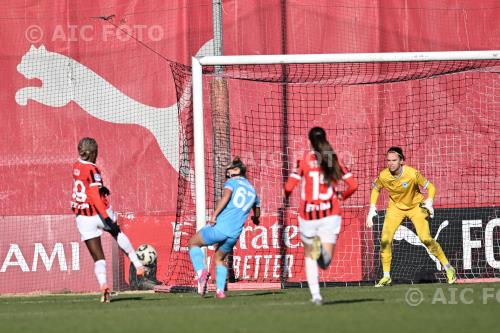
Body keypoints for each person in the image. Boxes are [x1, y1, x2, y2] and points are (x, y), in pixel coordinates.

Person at [285, 127, 358, 305]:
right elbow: (353, 185)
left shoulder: (303, 161)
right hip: (330, 215)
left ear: (309, 141)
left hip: (308, 215)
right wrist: (341, 195)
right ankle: (319, 257)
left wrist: (287, 198)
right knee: (325, 262)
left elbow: (288, 187)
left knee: (309, 255)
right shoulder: (333, 159)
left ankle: (316, 296)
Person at [366, 146, 456, 287]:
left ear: (402, 161)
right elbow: (376, 188)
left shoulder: (413, 174)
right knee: (384, 241)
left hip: (416, 207)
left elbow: (431, 187)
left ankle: (448, 268)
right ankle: (386, 276)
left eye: (394, 160)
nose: (391, 163)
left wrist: (430, 202)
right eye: (388, 160)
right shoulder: (384, 175)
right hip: (395, 208)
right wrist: (372, 208)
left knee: (426, 239)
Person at [71, 137, 145, 302]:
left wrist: (100, 187)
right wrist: (105, 217)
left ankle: (104, 285)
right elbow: (94, 196)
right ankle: (137, 264)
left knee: (99, 257)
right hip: (98, 213)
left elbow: (85, 184)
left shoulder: (76, 165)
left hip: (82, 217)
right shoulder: (93, 169)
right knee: (116, 232)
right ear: (94, 152)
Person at [188, 157, 260, 299]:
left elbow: (226, 197)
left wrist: (214, 214)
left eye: (230, 169)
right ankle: (220, 292)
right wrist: (255, 219)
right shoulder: (252, 190)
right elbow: (257, 210)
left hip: (220, 228)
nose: (227, 171)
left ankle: (201, 272)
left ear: (237, 170)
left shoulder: (231, 182)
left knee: (192, 243)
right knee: (220, 259)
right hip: (234, 234)